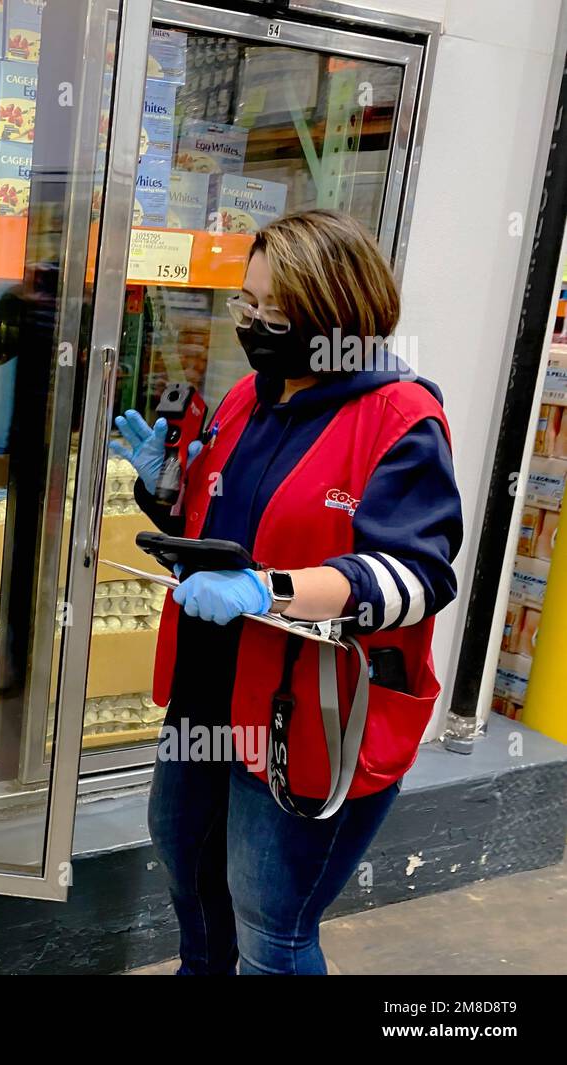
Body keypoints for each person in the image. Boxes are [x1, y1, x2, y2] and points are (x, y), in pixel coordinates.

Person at [111, 209, 463, 975]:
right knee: (192, 883)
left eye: (277, 310)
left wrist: (265, 590)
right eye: (248, 303)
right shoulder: (248, 399)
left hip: (305, 716)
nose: (256, 324)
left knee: (272, 924)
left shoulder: (400, 420)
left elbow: (418, 577)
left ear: (339, 310)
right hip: (210, 696)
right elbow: (225, 523)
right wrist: (165, 492)